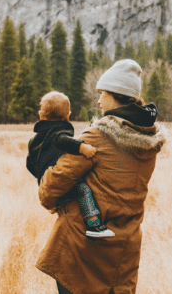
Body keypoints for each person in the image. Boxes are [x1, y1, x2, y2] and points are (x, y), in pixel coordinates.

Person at [36, 59, 165, 294]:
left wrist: (49, 187)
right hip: (123, 252)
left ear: (115, 95)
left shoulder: (97, 137)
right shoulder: (148, 140)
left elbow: (51, 188)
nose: (98, 100)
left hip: (82, 252)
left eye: (102, 93)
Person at [26, 91, 115, 238]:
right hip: (59, 179)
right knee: (83, 189)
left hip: (45, 181)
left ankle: (58, 203)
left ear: (41, 115)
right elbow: (61, 140)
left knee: (67, 199)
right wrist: (82, 147)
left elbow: (29, 163)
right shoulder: (58, 132)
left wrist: (41, 174)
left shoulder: (34, 141)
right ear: (68, 115)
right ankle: (93, 223)